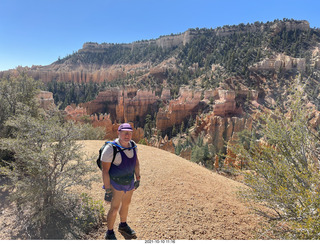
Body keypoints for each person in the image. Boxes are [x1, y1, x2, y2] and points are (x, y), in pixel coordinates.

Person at [100, 123, 141, 240]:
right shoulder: (110, 149)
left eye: (130, 133)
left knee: (126, 204)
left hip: (129, 182)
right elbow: (105, 171)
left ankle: (123, 225)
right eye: (124, 132)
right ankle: (109, 233)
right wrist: (107, 190)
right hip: (116, 184)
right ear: (119, 133)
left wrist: (138, 177)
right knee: (114, 208)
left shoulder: (133, 145)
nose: (127, 135)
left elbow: (136, 162)